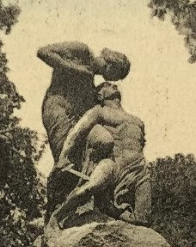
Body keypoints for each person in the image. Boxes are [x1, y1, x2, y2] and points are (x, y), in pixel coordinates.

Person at [37, 41, 129, 214]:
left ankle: (103, 200)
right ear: (111, 63)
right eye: (115, 74)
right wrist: (74, 68)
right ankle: (55, 208)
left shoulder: (91, 84)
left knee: (105, 141)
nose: (111, 79)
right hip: (58, 109)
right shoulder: (81, 50)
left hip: (77, 119)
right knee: (65, 159)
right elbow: (43, 51)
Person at [52, 81, 152, 228]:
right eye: (109, 86)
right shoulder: (99, 111)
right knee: (90, 187)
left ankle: (109, 209)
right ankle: (59, 215)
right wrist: (64, 156)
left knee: (143, 220)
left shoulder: (137, 121)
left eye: (114, 85)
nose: (115, 86)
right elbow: (77, 132)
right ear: (100, 95)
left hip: (139, 170)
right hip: (114, 165)